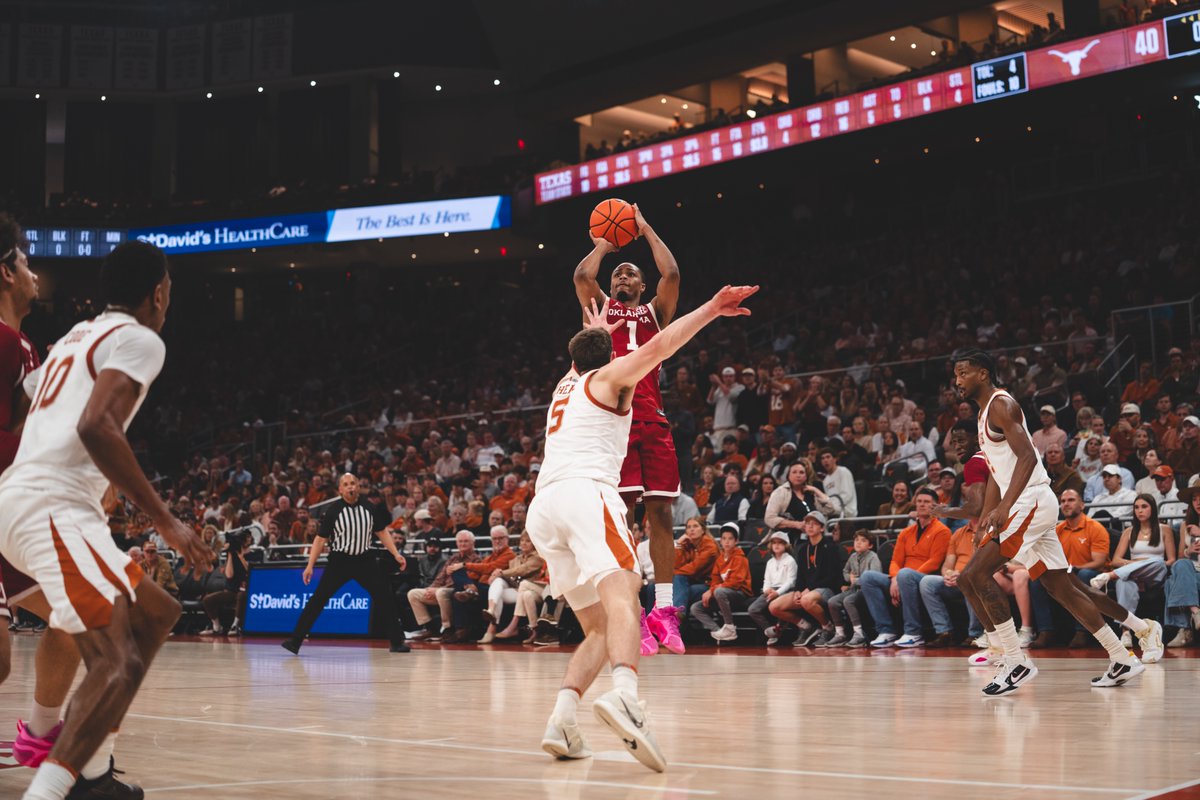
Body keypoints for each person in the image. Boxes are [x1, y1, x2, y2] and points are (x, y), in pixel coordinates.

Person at [0, 240, 211, 800]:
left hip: (34, 499)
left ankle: (93, 775)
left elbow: (24, 401)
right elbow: (97, 426)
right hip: (51, 506)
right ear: (158, 293)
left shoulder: (77, 334)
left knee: (157, 613)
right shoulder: (140, 339)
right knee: (117, 664)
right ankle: (50, 792)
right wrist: (166, 521)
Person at [528, 283, 756, 772]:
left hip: (544, 508)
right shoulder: (611, 378)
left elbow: (583, 353)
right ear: (612, 354)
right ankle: (626, 696)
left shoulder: (565, 386)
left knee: (598, 627)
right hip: (586, 494)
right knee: (626, 596)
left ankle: (562, 720)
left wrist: (595, 331)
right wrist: (712, 308)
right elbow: (660, 345)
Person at [952, 349, 1159, 696]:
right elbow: (996, 474)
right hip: (1027, 502)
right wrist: (987, 516)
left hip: (1029, 500)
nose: (957, 381)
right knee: (1060, 587)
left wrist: (1004, 507)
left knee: (974, 574)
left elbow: (1028, 458)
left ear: (983, 373)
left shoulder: (1001, 405)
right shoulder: (984, 413)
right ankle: (1121, 656)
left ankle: (1015, 661)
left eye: (963, 373)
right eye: (955, 375)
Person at [0, 216, 91, 780]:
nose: (35, 274)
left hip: (11, 513)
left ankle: (37, 735)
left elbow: (17, 425)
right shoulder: (3, 340)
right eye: (26, 262)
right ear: (6, 273)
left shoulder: (24, 345)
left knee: (75, 611)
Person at [573, 203, 685, 657]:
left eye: (630, 273)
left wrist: (643, 227)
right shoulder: (602, 309)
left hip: (652, 419)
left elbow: (671, 273)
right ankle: (632, 610)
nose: (622, 277)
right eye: (618, 273)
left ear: (642, 285)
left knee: (661, 516)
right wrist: (607, 242)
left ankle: (664, 609)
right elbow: (583, 276)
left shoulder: (657, 312)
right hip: (613, 423)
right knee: (623, 520)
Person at [281, 473, 410, 655]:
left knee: (385, 597)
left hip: (365, 561)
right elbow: (320, 540)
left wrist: (396, 554)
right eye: (346, 484)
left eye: (353, 483)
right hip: (339, 562)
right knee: (318, 599)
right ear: (340, 489)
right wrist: (310, 565)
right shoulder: (333, 511)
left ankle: (396, 642)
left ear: (358, 486)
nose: (350, 487)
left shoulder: (369, 507)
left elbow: (382, 532)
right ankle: (295, 641)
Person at [861, 488, 950, 647]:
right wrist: (895, 579)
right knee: (868, 577)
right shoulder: (906, 532)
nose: (922, 504)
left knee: (905, 574)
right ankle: (886, 631)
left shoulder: (942, 531)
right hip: (901, 577)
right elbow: (895, 561)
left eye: (927, 502)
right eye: (919, 501)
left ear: (935, 506)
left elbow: (935, 562)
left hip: (923, 578)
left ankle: (914, 632)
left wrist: (903, 577)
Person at [1090, 493, 1176, 647]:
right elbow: (1116, 560)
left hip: (1155, 575)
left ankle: (1110, 576)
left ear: (1152, 508)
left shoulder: (1164, 529)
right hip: (1133, 576)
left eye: (1144, 507)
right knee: (1124, 582)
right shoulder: (1129, 531)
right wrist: (1136, 564)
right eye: (1136, 507)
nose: (1140, 511)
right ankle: (1125, 632)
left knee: (1157, 562)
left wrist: (1146, 563)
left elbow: (1171, 561)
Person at [767, 511, 844, 646]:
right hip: (807, 591)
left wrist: (809, 589)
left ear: (822, 528)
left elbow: (834, 576)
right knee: (774, 607)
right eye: (807, 523)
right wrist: (798, 590)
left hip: (828, 589)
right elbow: (800, 575)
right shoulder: (803, 549)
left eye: (814, 524)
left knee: (806, 600)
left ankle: (828, 628)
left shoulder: (831, 547)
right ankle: (807, 627)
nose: (810, 526)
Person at [689, 523, 752, 642]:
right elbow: (715, 580)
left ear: (736, 541)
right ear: (721, 541)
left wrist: (712, 591)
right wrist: (711, 590)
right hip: (722, 595)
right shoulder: (720, 559)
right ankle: (720, 632)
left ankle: (729, 626)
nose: (727, 542)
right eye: (724, 538)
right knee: (696, 608)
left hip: (739, 594)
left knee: (719, 591)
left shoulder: (740, 558)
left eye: (730, 539)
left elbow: (735, 582)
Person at [479, 532, 545, 644]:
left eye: (528, 541)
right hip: (516, 590)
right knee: (498, 583)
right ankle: (491, 613)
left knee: (520, 586)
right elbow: (512, 578)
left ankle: (498, 628)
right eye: (522, 541)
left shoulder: (538, 557)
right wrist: (496, 576)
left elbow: (522, 570)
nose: (524, 543)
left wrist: (501, 572)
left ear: (534, 543)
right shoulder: (516, 559)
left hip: (532, 590)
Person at [822, 530, 882, 648]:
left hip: (867, 591)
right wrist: (849, 578)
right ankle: (840, 633)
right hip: (853, 589)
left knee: (848, 600)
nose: (858, 543)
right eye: (856, 540)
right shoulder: (853, 556)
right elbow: (845, 571)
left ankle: (859, 634)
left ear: (870, 545)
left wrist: (856, 581)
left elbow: (875, 578)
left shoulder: (873, 557)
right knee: (832, 602)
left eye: (863, 540)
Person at [1165, 486, 1200, 646]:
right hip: (1191, 571)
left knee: (1171, 583)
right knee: (1181, 564)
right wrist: (1189, 550)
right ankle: (1195, 612)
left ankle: (1184, 630)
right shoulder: (1185, 525)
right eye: (1194, 499)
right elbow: (1179, 556)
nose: (1198, 502)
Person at [748, 532, 797, 646]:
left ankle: (779, 629)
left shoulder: (790, 560)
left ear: (786, 545)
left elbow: (791, 582)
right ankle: (771, 631)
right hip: (771, 590)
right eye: (774, 542)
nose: (776, 545)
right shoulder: (770, 562)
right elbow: (766, 580)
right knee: (753, 609)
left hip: (785, 591)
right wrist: (767, 590)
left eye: (780, 543)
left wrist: (777, 592)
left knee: (778, 607)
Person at [200, 530, 250, 636]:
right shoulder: (231, 556)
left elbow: (248, 569)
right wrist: (230, 555)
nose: (225, 545)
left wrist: (240, 556)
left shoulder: (251, 554)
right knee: (207, 599)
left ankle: (235, 625)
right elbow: (229, 575)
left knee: (241, 595)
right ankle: (217, 627)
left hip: (247, 591)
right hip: (231, 591)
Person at [672, 517, 718, 612]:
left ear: (703, 530)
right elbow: (676, 565)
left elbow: (693, 569)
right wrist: (679, 544)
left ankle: (678, 614)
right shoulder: (687, 544)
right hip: (692, 581)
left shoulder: (710, 547)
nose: (692, 529)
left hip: (709, 585)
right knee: (652, 588)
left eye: (695, 526)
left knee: (679, 591)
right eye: (689, 527)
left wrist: (673, 573)